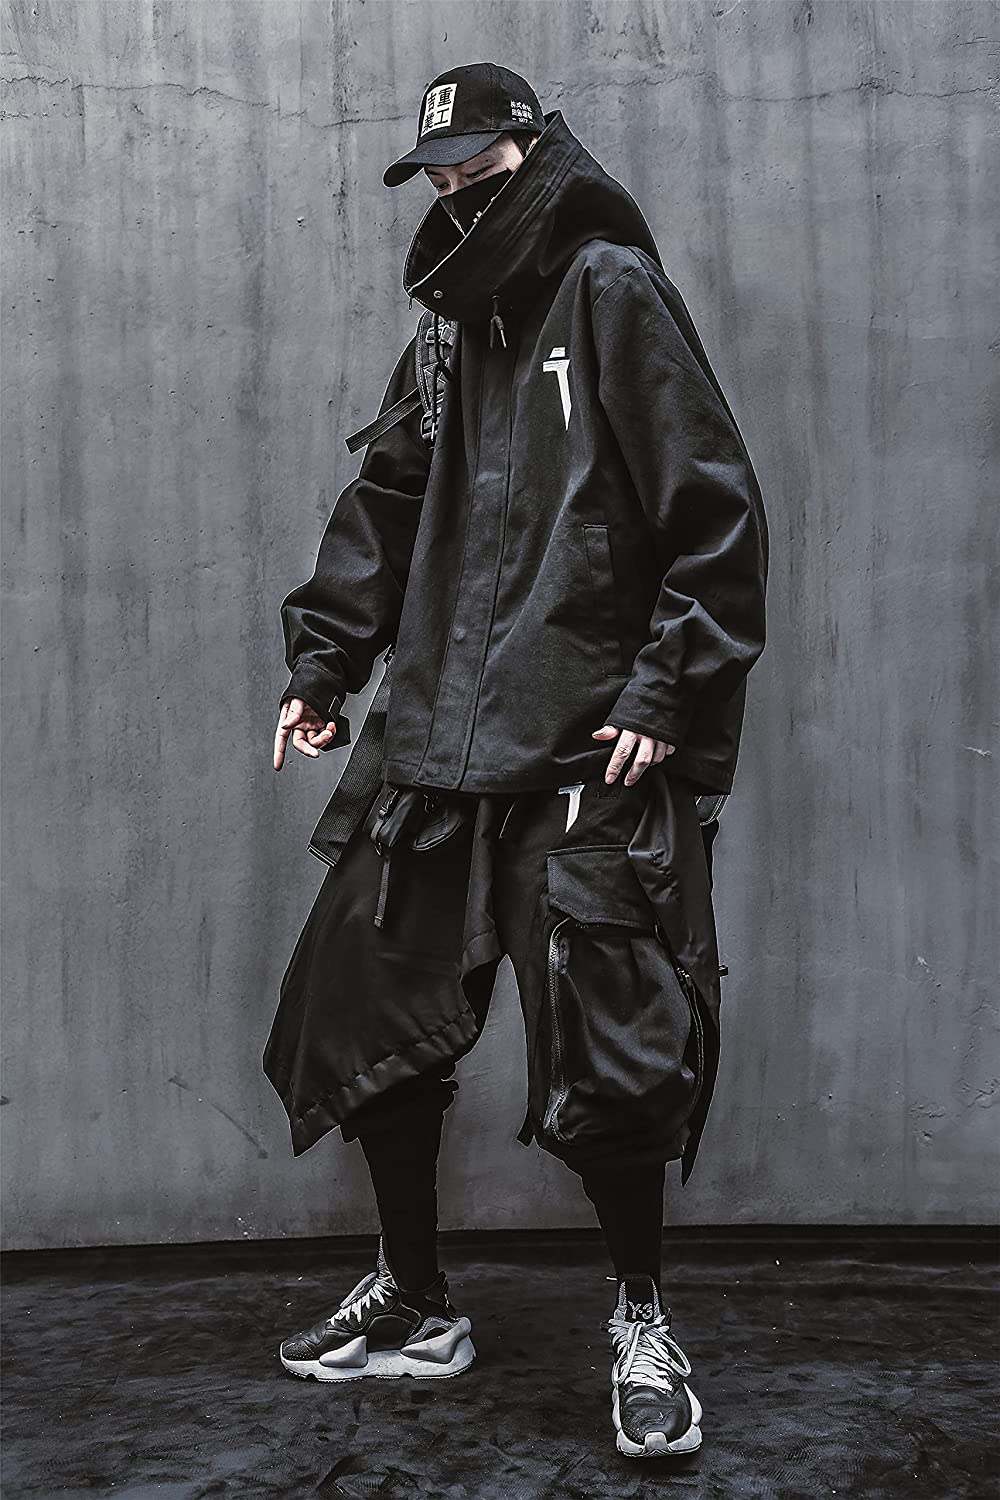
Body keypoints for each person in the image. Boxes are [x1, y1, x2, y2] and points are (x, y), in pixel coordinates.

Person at [264, 61, 768, 1460]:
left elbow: (715, 509)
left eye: (478, 169)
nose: (455, 194)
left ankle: (642, 1320)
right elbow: (387, 499)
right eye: (437, 174)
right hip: (437, 734)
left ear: (534, 152)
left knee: (611, 1051)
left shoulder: (607, 287)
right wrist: (325, 665)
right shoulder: (445, 325)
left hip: (580, 746)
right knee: (369, 1015)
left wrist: (666, 687)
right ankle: (417, 1299)